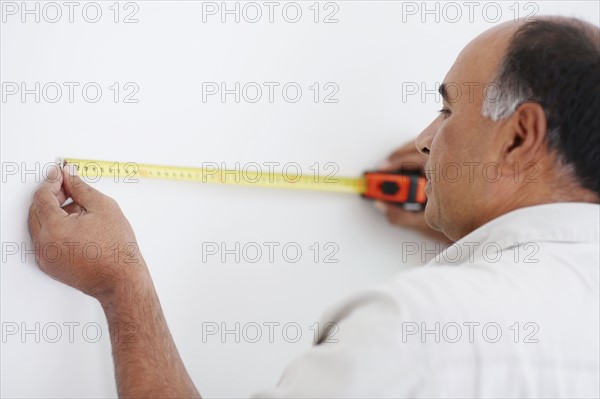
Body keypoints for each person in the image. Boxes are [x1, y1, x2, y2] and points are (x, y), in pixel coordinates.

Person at [28, 16, 599, 398]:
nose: (426, 139)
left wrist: (121, 284)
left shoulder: (414, 327)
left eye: (448, 112)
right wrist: (478, 214)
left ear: (521, 137)